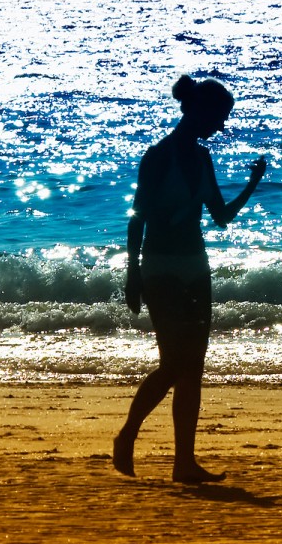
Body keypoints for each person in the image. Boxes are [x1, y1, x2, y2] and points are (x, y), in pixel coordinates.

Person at [114, 75, 266, 483]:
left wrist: (252, 184)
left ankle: (184, 463)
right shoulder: (158, 156)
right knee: (172, 365)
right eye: (218, 117)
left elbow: (220, 217)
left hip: (196, 269)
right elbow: (137, 218)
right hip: (160, 268)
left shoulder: (202, 159)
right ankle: (128, 434)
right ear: (197, 111)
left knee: (193, 368)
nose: (221, 127)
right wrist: (133, 274)